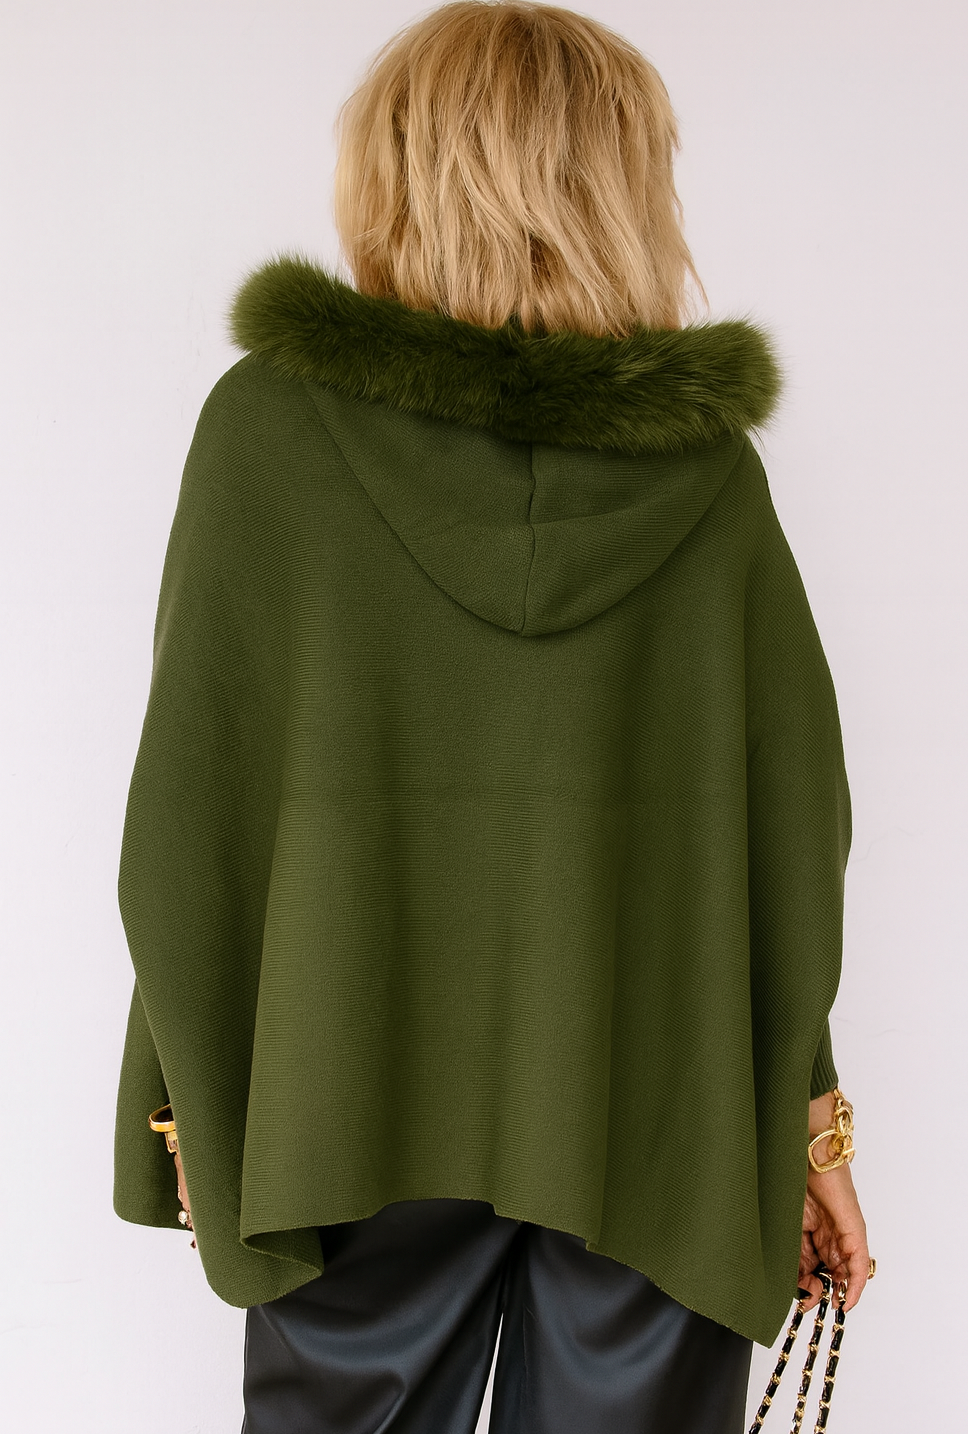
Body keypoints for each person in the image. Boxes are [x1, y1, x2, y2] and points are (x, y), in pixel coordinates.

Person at [111, 3, 872, 1431]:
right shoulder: (705, 473)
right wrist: (806, 1119)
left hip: (344, 1086)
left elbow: (191, 816)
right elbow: (793, 839)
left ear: (395, 169)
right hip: (652, 1102)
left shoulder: (268, 430)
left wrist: (188, 1097)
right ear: (622, 189)